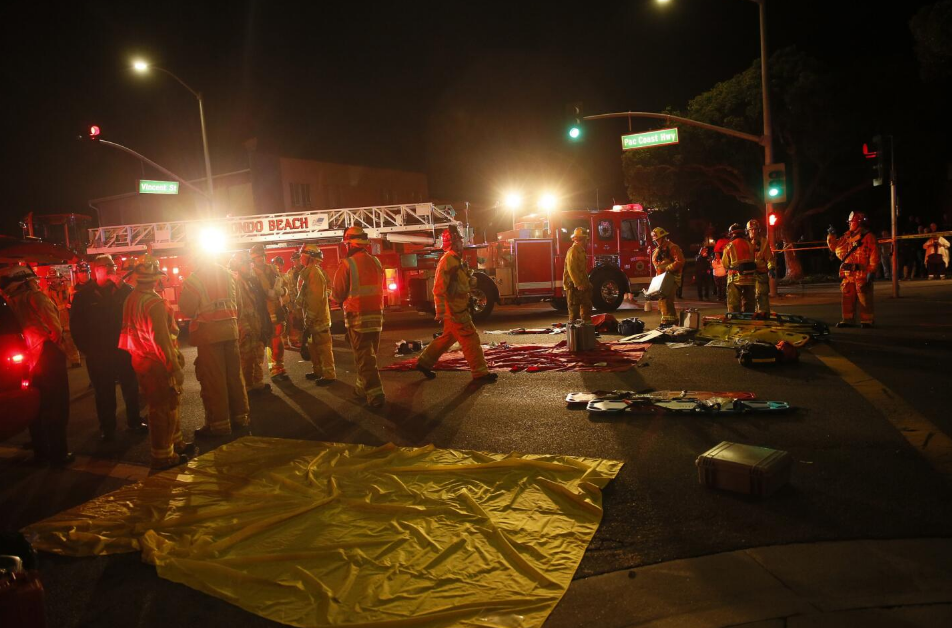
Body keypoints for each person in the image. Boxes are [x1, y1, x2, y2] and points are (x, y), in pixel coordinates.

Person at [118, 255, 195, 470]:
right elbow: (161, 340)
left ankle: (176, 443)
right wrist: (174, 366)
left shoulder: (132, 298)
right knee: (163, 408)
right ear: (155, 280)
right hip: (158, 363)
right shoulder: (154, 303)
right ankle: (164, 456)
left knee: (168, 404)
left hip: (140, 360)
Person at [70, 254, 147, 442]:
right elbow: (76, 327)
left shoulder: (122, 290)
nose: (112, 269)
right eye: (107, 266)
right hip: (99, 354)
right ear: (96, 270)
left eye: (113, 265)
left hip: (123, 350)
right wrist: (88, 350)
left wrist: (121, 285)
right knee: (103, 392)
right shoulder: (84, 296)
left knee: (130, 387)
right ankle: (108, 427)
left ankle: (134, 422)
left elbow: (135, 299)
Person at [0, 266, 71, 467]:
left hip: (28, 358)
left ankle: (41, 451)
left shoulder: (10, 302)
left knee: (37, 406)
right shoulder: (37, 298)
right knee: (57, 406)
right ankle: (59, 454)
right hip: (47, 353)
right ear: (26, 282)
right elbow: (55, 329)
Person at [179, 252, 250, 437]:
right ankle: (240, 417)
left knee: (214, 380)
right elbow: (239, 305)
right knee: (234, 376)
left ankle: (219, 425)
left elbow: (186, 308)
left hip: (209, 335)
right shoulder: (228, 275)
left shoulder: (195, 279)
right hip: (231, 331)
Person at [415, 229, 497, 384]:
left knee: (446, 338)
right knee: (471, 339)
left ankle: (424, 363)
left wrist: (472, 282)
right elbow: (439, 288)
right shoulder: (447, 261)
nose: (461, 243)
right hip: (455, 311)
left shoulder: (456, 260)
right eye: (458, 241)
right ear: (452, 243)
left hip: (458, 308)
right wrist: (441, 312)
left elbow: (461, 282)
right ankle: (480, 373)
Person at [332, 226, 386, 408]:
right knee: (369, 357)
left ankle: (375, 394)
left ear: (349, 244)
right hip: (377, 317)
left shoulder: (348, 264)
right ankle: (361, 389)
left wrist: (335, 298)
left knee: (364, 358)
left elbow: (338, 293)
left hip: (358, 317)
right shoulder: (376, 262)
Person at [827, 211, 880, 328]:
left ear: (859, 222)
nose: (849, 224)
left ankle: (867, 321)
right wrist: (831, 235)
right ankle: (848, 320)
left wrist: (872, 271)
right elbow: (835, 248)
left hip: (862, 272)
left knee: (864, 297)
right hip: (848, 273)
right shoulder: (847, 236)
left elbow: (874, 255)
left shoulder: (869, 237)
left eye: (852, 222)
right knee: (847, 296)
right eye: (849, 222)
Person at [231, 251, 272, 395]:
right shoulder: (236, 282)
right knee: (246, 356)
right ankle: (247, 386)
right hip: (246, 324)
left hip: (255, 322)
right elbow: (238, 308)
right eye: (246, 264)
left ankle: (257, 382)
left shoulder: (250, 280)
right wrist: (245, 327)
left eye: (250, 263)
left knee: (257, 352)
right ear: (239, 265)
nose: (249, 267)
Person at [296, 244, 336, 384]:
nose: (300, 257)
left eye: (302, 255)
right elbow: (304, 296)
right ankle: (318, 371)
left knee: (323, 347)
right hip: (311, 318)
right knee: (313, 347)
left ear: (310, 257)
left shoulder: (314, 273)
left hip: (318, 318)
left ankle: (329, 375)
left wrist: (309, 318)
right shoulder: (308, 272)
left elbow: (315, 298)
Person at [250, 244, 289, 381]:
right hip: (262, 312)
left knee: (278, 339)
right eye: (257, 257)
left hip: (276, 309)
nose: (260, 259)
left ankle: (278, 368)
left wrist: (283, 291)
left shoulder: (272, 269)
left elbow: (284, 284)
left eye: (261, 256)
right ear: (253, 259)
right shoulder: (251, 273)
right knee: (262, 342)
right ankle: (260, 375)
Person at [650, 227, 684, 327]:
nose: (656, 242)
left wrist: (668, 268)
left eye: (657, 239)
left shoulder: (673, 247)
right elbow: (656, 264)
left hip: (671, 277)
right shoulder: (657, 250)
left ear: (663, 237)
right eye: (655, 240)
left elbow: (680, 261)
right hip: (661, 278)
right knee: (662, 300)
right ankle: (668, 320)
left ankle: (669, 322)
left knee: (667, 299)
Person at [46, 272, 82, 367]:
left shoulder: (67, 289)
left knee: (70, 342)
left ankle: (76, 361)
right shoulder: (46, 292)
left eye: (55, 278)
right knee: (59, 344)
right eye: (50, 279)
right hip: (55, 320)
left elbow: (73, 302)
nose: (53, 281)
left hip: (67, 318)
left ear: (59, 279)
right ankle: (62, 362)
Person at [722, 223, 757, 313]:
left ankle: (735, 320)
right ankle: (749, 319)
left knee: (733, 302)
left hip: (735, 279)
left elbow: (725, 264)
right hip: (750, 278)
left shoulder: (729, 246)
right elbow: (753, 259)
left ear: (731, 234)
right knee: (749, 302)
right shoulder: (750, 244)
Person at [562, 227, 593, 323]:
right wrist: (578, 284)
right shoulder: (573, 251)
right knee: (574, 311)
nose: (587, 242)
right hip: (573, 286)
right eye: (586, 239)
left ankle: (587, 331)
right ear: (581, 239)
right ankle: (573, 334)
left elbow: (582, 270)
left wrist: (587, 284)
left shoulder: (581, 250)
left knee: (586, 307)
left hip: (581, 285)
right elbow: (572, 269)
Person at [747, 219, 776, 314]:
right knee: (748, 298)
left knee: (762, 296)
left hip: (761, 274)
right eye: (751, 229)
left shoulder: (764, 242)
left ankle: (764, 316)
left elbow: (769, 258)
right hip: (748, 275)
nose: (753, 231)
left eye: (755, 229)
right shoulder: (744, 243)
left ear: (758, 230)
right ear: (747, 231)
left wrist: (771, 268)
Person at [283, 251, 305, 348]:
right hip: (294, 302)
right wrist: (290, 304)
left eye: (298, 260)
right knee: (296, 322)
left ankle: (307, 339)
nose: (296, 262)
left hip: (305, 302)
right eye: (294, 260)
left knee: (306, 321)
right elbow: (288, 289)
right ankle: (298, 340)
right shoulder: (289, 273)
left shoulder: (306, 270)